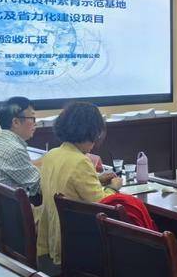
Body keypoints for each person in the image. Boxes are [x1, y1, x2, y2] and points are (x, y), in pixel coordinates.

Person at [37, 102, 117, 268]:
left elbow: (69, 184)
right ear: (90, 132)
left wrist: (98, 179)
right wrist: (114, 187)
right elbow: (102, 203)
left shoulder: (52, 154)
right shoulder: (80, 161)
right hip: (76, 238)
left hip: (53, 234)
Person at [0, 97, 41, 202]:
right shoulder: (15, 149)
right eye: (32, 118)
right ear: (16, 122)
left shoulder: (0, 141)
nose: (35, 123)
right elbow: (39, 186)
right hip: (14, 209)